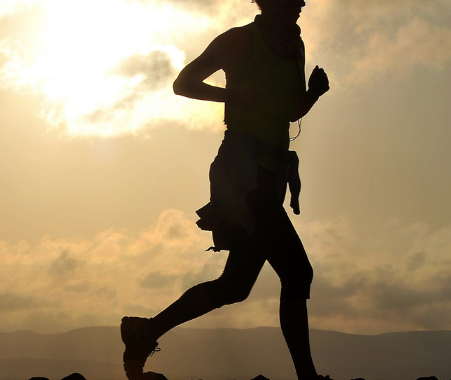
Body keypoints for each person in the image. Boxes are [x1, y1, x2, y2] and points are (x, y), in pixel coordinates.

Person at [121, 1, 331, 380]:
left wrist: (313, 94)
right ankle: (308, 377)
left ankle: (144, 332)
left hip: (271, 178)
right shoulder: (238, 41)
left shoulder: (294, 45)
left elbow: (288, 112)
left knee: (234, 287)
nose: (301, 3)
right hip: (242, 178)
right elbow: (182, 84)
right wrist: (231, 96)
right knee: (298, 274)